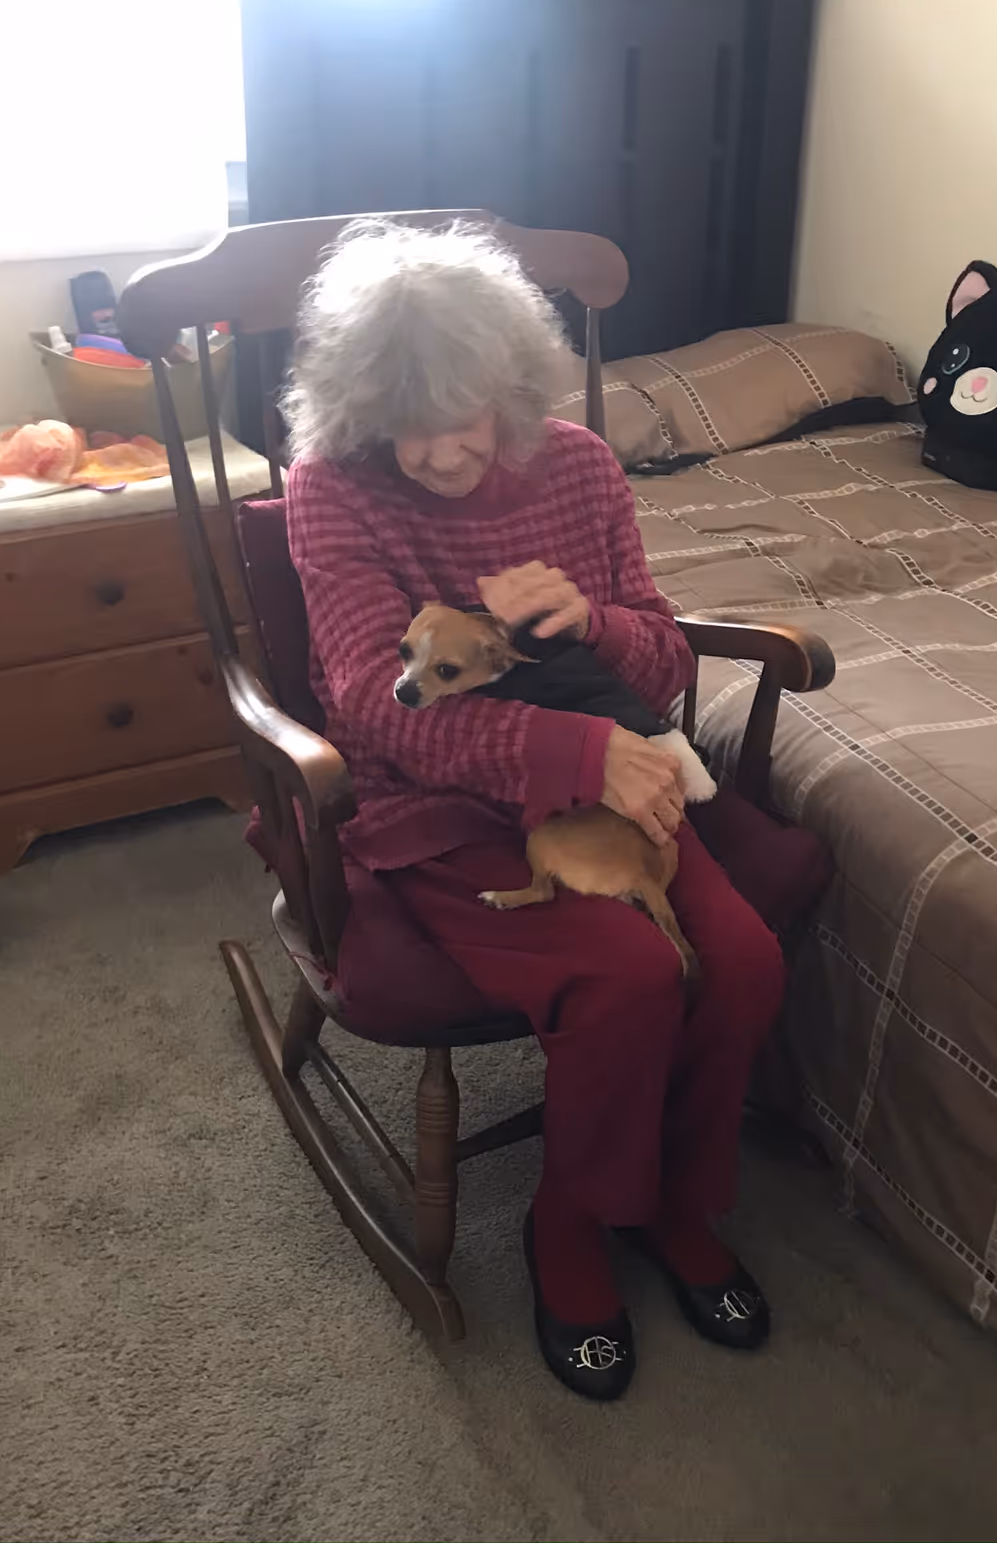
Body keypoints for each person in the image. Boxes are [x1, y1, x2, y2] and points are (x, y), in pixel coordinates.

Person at [283, 221, 784, 1400]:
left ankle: (674, 1197)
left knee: (747, 961)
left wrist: (593, 625)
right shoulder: (333, 493)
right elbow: (369, 706)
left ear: (512, 391)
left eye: (461, 416)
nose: (438, 453)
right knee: (628, 974)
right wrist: (571, 749)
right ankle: (569, 1219)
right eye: (402, 422)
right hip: (441, 805)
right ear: (358, 410)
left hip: (607, 778)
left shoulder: (583, 469)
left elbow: (659, 665)